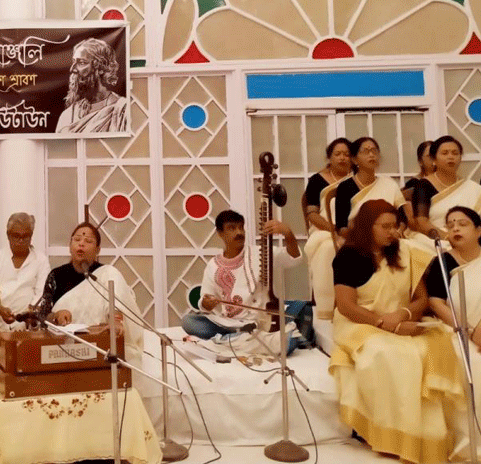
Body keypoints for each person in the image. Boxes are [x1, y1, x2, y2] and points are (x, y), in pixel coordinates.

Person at [329, 199, 462, 464]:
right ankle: (390, 436)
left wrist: (403, 315)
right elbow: (346, 305)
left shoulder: (406, 251)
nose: (392, 232)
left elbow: (421, 298)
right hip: (360, 323)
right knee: (388, 354)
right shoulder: (348, 255)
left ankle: (426, 436)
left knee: (432, 348)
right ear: (368, 227)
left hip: (400, 320)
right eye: (385, 227)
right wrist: (385, 324)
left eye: (395, 226)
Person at [181, 210, 302, 340]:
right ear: (220, 233)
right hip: (231, 324)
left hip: (261, 321)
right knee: (189, 321)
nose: (239, 232)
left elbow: (293, 257)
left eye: (241, 227)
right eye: (232, 228)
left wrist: (288, 233)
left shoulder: (261, 253)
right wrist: (206, 303)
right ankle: (242, 338)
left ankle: (232, 340)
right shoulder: (213, 266)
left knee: (300, 309)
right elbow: (205, 304)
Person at [37, 222, 144, 367]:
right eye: (77, 240)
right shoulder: (56, 275)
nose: (81, 244)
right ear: (70, 246)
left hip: (102, 344)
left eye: (88, 241)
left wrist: (116, 320)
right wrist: (56, 315)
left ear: (98, 250)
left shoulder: (106, 273)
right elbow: (42, 317)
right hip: (65, 349)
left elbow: (117, 296)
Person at [425, 206, 481, 459]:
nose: (456, 228)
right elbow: (436, 302)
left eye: (463, 223)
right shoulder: (441, 261)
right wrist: (466, 329)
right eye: (451, 224)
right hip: (456, 327)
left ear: (478, 230)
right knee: (472, 363)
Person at [303, 138, 352, 319]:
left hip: (355, 230)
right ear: (329, 158)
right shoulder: (317, 180)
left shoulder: (358, 179)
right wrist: (335, 230)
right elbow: (312, 214)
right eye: (337, 154)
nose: (342, 158)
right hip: (325, 230)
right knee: (328, 248)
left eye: (347, 154)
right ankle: (327, 310)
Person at [408, 135, 481, 254]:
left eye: (455, 153)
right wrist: (449, 237)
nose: (450, 157)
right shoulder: (423, 186)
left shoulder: (472, 188)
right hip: (436, 240)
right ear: (434, 159)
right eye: (445, 153)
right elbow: (422, 223)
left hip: (469, 240)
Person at [0, 212, 50, 329]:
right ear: (8, 235)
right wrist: (0, 309)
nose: (21, 240)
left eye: (25, 236)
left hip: (30, 325)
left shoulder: (41, 260)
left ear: (31, 236)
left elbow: (42, 294)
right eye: (16, 236)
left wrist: (30, 313)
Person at [333, 137, 406, 241]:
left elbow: (403, 219)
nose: (371, 155)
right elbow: (341, 227)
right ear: (354, 159)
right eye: (366, 151)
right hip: (359, 241)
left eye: (374, 151)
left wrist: (397, 233)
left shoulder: (389, 184)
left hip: (392, 239)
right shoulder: (345, 187)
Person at [56, 38, 127, 134]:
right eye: (74, 62)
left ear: (101, 68)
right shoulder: (68, 115)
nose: (73, 69)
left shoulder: (121, 110)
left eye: (81, 63)